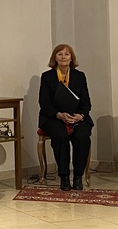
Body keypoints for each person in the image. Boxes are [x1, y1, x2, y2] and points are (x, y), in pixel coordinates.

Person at [38, 43, 93, 192]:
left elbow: (86, 102)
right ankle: (64, 176)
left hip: (77, 117)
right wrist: (59, 115)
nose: (63, 57)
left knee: (82, 136)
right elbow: (44, 102)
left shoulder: (79, 76)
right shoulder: (47, 77)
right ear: (55, 58)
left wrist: (80, 116)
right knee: (60, 136)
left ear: (71, 58)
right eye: (60, 54)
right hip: (53, 117)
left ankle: (78, 176)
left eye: (66, 54)